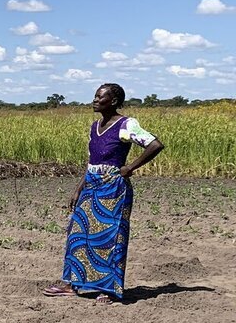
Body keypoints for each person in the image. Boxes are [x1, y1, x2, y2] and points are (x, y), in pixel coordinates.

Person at [43, 83, 164, 304]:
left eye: (101, 97)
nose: (95, 100)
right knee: (78, 234)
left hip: (113, 187)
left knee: (109, 238)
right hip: (91, 185)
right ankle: (71, 284)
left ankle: (107, 290)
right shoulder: (94, 126)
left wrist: (130, 168)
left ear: (114, 101)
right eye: (95, 96)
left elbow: (155, 145)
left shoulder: (126, 125)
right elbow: (92, 161)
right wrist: (79, 188)